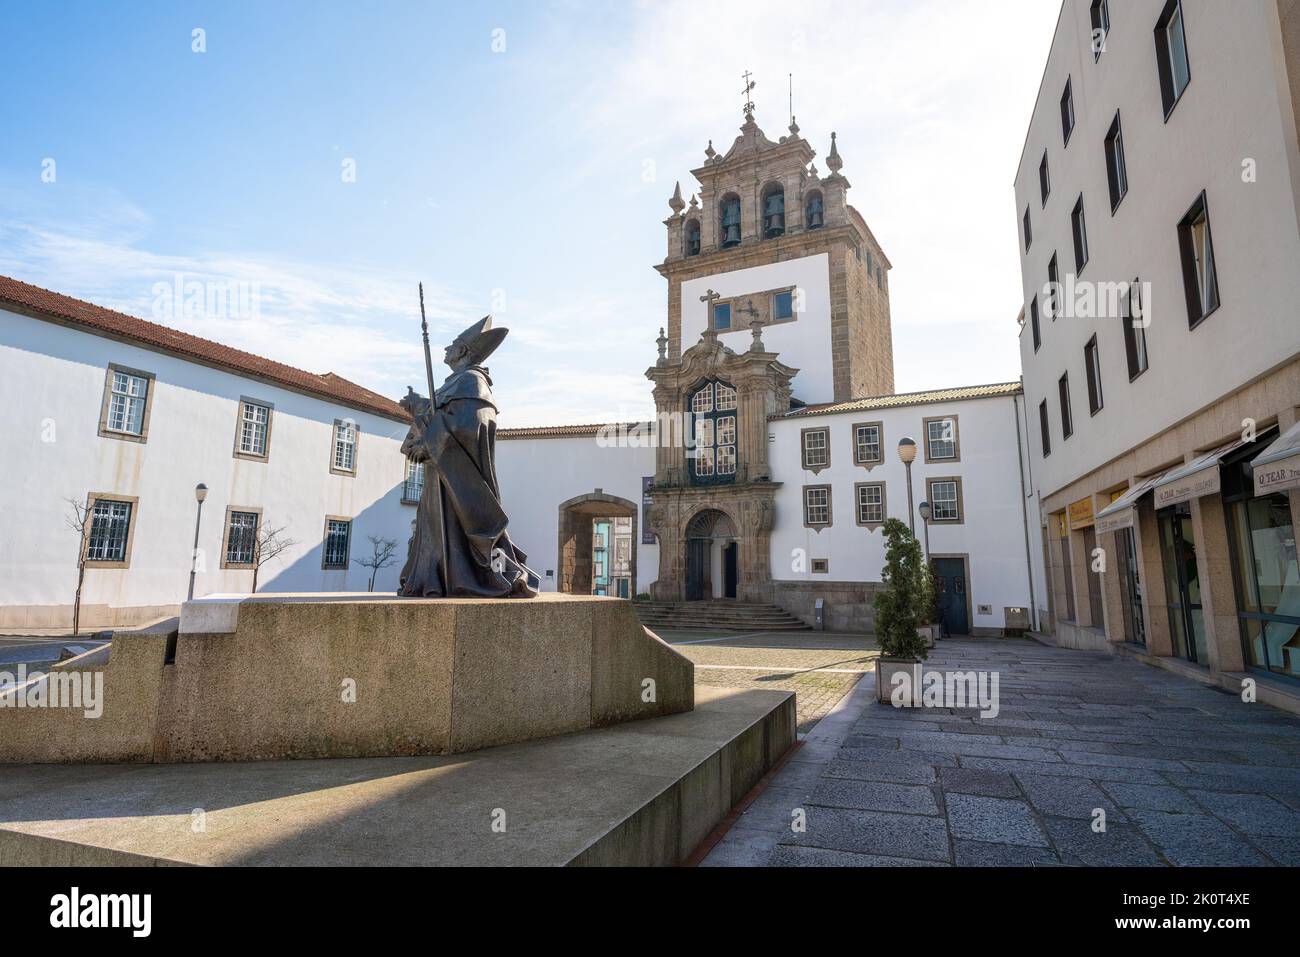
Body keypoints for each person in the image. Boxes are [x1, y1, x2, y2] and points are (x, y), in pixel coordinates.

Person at [397, 315, 537, 598]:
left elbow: (465, 426)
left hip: (457, 480)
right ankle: (435, 578)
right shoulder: (458, 382)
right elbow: (445, 414)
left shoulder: (472, 382)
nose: (447, 348)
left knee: (459, 537)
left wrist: (429, 444)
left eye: (453, 344)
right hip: (442, 476)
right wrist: (419, 406)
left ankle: (475, 576)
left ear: (462, 352)